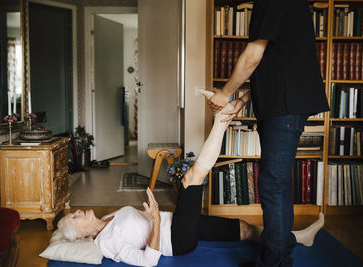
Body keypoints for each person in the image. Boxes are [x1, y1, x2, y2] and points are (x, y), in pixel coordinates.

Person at [52, 91, 325, 267]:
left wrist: (159, 217)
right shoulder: (106, 242)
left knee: (242, 228)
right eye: (75, 218)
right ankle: (222, 121)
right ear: (81, 235)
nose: (77, 212)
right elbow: (148, 261)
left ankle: (299, 237)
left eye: (73, 213)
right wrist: (157, 220)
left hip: (179, 224)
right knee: (192, 177)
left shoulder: (108, 217)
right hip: (177, 240)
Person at [207, 1, 329, 266]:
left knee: (273, 185)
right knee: (278, 184)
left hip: (285, 107)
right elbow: (277, 64)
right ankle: (281, 250)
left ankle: (274, 261)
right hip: (283, 103)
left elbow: (254, 54)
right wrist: (240, 100)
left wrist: (226, 92)